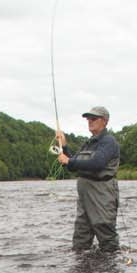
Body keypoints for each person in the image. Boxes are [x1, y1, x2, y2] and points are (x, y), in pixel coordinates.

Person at [56, 106, 121, 253]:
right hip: (85, 196)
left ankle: (112, 270)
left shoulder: (108, 141)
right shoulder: (89, 142)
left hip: (102, 193)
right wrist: (64, 146)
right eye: (88, 119)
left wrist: (69, 161)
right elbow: (73, 165)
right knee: (81, 235)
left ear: (104, 121)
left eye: (93, 118)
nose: (89, 121)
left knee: (106, 233)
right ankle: (82, 272)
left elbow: (97, 164)